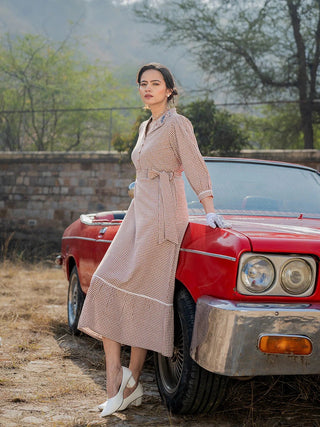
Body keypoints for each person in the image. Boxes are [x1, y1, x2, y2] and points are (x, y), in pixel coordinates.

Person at [78, 63, 228, 417]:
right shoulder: (146, 125)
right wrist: (139, 184)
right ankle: (119, 383)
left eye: (155, 84)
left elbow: (193, 162)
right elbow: (147, 167)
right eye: (143, 84)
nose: (147, 89)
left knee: (146, 293)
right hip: (139, 211)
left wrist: (208, 206)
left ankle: (126, 384)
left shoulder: (177, 123)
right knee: (105, 284)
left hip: (163, 215)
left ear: (169, 90)